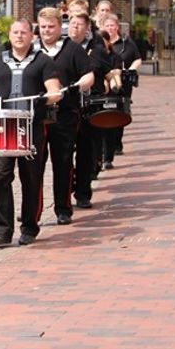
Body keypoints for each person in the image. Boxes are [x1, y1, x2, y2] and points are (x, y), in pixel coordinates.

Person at [0, 19, 61, 247]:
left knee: (31, 179)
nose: (19, 36)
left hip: (31, 127)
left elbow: (55, 91)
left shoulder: (42, 61)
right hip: (2, 128)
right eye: (15, 32)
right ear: (9, 35)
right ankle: (3, 230)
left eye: (24, 32)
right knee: (1, 178)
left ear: (31, 36)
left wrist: (48, 97)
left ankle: (29, 227)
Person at [35, 8, 95, 225]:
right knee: (34, 166)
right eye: (43, 27)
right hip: (37, 117)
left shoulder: (73, 50)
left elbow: (88, 74)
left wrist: (82, 84)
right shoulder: (32, 50)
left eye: (51, 27)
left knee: (63, 163)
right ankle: (33, 210)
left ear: (60, 27)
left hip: (65, 116)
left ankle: (63, 208)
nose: (47, 31)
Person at [67, 12, 115, 209]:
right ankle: (66, 188)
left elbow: (110, 72)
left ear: (87, 28)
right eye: (72, 23)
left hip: (90, 106)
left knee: (86, 151)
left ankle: (83, 193)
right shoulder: (62, 49)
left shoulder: (97, 51)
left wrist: (113, 84)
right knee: (64, 152)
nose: (75, 27)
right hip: (68, 106)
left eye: (79, 24)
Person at [101, 13, 141, 168]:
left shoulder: (126, 43)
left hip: (122, 83)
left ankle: (117, 141)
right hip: (105, 87)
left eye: (112, 25)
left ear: (117, 27)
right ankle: (107, 152)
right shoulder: (99, 45)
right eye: (107, 26)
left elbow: (137, 58)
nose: (110, 28)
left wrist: (131, 69)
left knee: (120, 112)